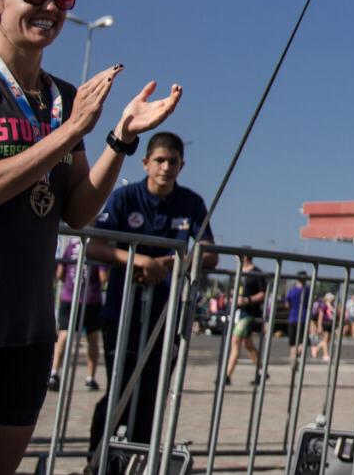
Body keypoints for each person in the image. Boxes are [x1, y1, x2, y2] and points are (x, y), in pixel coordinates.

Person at [0, 0, 182, 473]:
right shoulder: (68, 115)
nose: (51, 7)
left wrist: (120, 137)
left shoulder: (62, 97)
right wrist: (72, 131)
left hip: (28, 328)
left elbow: (78, 211)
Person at [86, 132, 215, 460]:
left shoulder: (191, 203)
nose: (166, 167)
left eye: (173, 161)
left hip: (165, 314)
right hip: (122, 311)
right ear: (145, 162)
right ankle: (98, 460)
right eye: (159, 160)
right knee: (120, 389)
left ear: (182, 165)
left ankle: (138, 459)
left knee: (151, 396)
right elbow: (95, 247)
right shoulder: (124, 197)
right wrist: (140, 260)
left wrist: (170, 262)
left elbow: (209, 253)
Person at [48, 236, 109, 392]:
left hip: (69, 296)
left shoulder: (71, 244)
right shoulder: (98, 244)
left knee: (63, 335)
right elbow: (103, 277)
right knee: (93, 338)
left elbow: (60, 273)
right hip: (91, 298)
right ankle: (90, 378)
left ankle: (54, 373)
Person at [225, 255, 267, 385]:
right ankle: (262, 371)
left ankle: (227, 375)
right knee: (247, 344)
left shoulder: (257, 273)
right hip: (238, 312)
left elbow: (263, 293)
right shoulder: (239, 272)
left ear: (245, 257)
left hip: (250, 313)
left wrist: (247, 300)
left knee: (235, 340)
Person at [283, 273, 311, 369]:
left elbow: (287, 305)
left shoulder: (292, 290)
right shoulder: (307, 290)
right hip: (303, 318)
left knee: (292, 343)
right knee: (303, 341)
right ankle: (296, 356)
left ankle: (293, 359)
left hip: (292, 318)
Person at [311, 293, 335, 362]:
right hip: (325, 324)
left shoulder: (333, 306)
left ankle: (316, 348)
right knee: (325, 339)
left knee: (327, 340)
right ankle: (325, 354)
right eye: (331, 298)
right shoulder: (324, 306)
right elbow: (320, 316)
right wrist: (319, 326)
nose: (332, 300)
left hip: (330, 324)